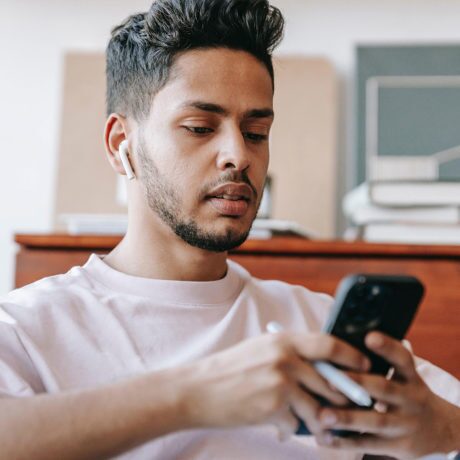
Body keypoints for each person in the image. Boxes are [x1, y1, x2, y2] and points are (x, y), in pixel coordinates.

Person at [0, 0, 459, 458]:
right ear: (123, 145)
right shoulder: (26, 328)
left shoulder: (321, 328)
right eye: (200, 128)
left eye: (256, 132)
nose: (239, 156)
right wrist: (196, 395)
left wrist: (442, 429)